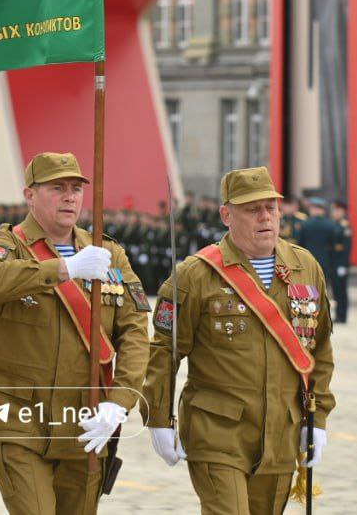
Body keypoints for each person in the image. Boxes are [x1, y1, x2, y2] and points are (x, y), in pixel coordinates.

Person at [143, 166, 335, 513]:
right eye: (252, 209)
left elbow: (319, 349)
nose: (265, 217)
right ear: (226, 215)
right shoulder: (195, 274)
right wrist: (158, 417)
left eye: (271, 208)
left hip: (281, 433)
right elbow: (164, 353)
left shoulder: (305, 267)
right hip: (216, 432)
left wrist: (316, 419)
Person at [0, 153, 150, 515]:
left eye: (75, 189)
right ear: (29, 195)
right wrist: (64, 268)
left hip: (82, 421)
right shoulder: (6, 245)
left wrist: (119, 402)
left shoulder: (107, 254)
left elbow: (134, 332)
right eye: (57, 188)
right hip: (18, 420)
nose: (69, 197)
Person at [296, 197, 335, 279]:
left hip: (308, 261)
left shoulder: (305, 224)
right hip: (325, 261)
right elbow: (333, 245)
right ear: (323, 210)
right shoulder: (331, 225)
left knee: (310, 287)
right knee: (323, 287)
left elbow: (300, 244)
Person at [328, 200, 351, 323]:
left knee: (342, 290)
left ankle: (343, 315)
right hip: (333, 262)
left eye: (336, 210)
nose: (334, 213)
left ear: (342, 211)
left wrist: (343, 264)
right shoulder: (334, 225)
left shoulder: (344, 226)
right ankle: (338, 314)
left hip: (341, 262)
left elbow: (346, 248)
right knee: (336, 290)